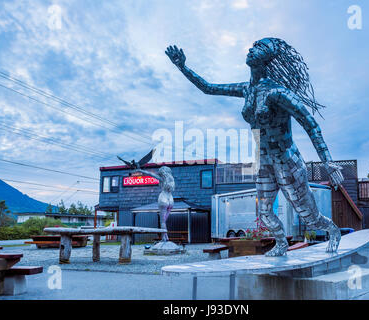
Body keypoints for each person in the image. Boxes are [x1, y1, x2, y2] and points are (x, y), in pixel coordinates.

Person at [165, 38, 344, 255]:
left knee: (310, 218)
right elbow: (208, 88)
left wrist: (328, 161)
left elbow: (311, 124)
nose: (252, 49)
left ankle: (333, 231)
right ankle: (281, 243)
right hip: (264, 160)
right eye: (253, 45)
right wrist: (183, 67)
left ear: (267, 58)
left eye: (260, 47)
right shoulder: (246, 89)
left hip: (287, 160)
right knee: (265, 212)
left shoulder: (278, 93)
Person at [129, 166, 175, 242]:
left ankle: (164, 238)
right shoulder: (171, 179)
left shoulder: (162, 179)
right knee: (164, 221)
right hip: (170, 199)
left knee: (162, 221)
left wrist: (140, 170)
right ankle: (166, 236)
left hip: (163, 198)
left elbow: (150, 174)